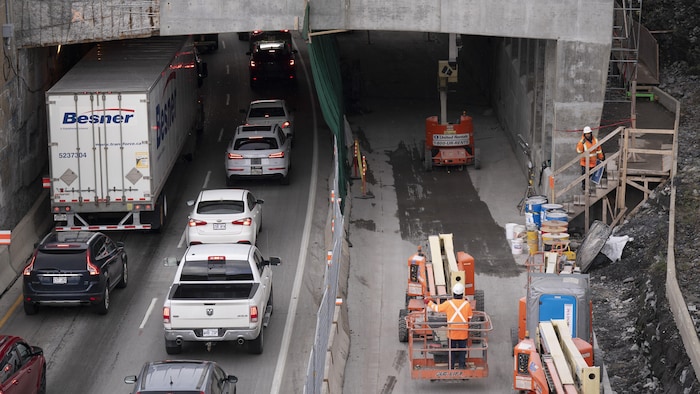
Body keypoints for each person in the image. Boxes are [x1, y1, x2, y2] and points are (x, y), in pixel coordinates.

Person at [425, 282, 473, 369]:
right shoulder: (467, 304)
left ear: (453, 293)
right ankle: (462, 366)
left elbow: (437, 308)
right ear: (462, 294)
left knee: (451, 351)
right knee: (462, 350)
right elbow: (469, 318)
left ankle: (451, 367)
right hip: (463, 333)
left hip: (452, 333)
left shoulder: (448, 304)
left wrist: (429, 302)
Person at [576, 126, 604, 191]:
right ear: (584, 134)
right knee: (584, 176)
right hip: (585, 162)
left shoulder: (595, 140)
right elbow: (579, 151)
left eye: (589, 133)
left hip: (593, 162)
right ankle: (584, 187)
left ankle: (587, 187)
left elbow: (599, 150)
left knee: (590, 175)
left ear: (591, 133)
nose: (588, 135)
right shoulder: (582, 142)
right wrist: (581, 144)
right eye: (586, 134)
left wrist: (601, 157)